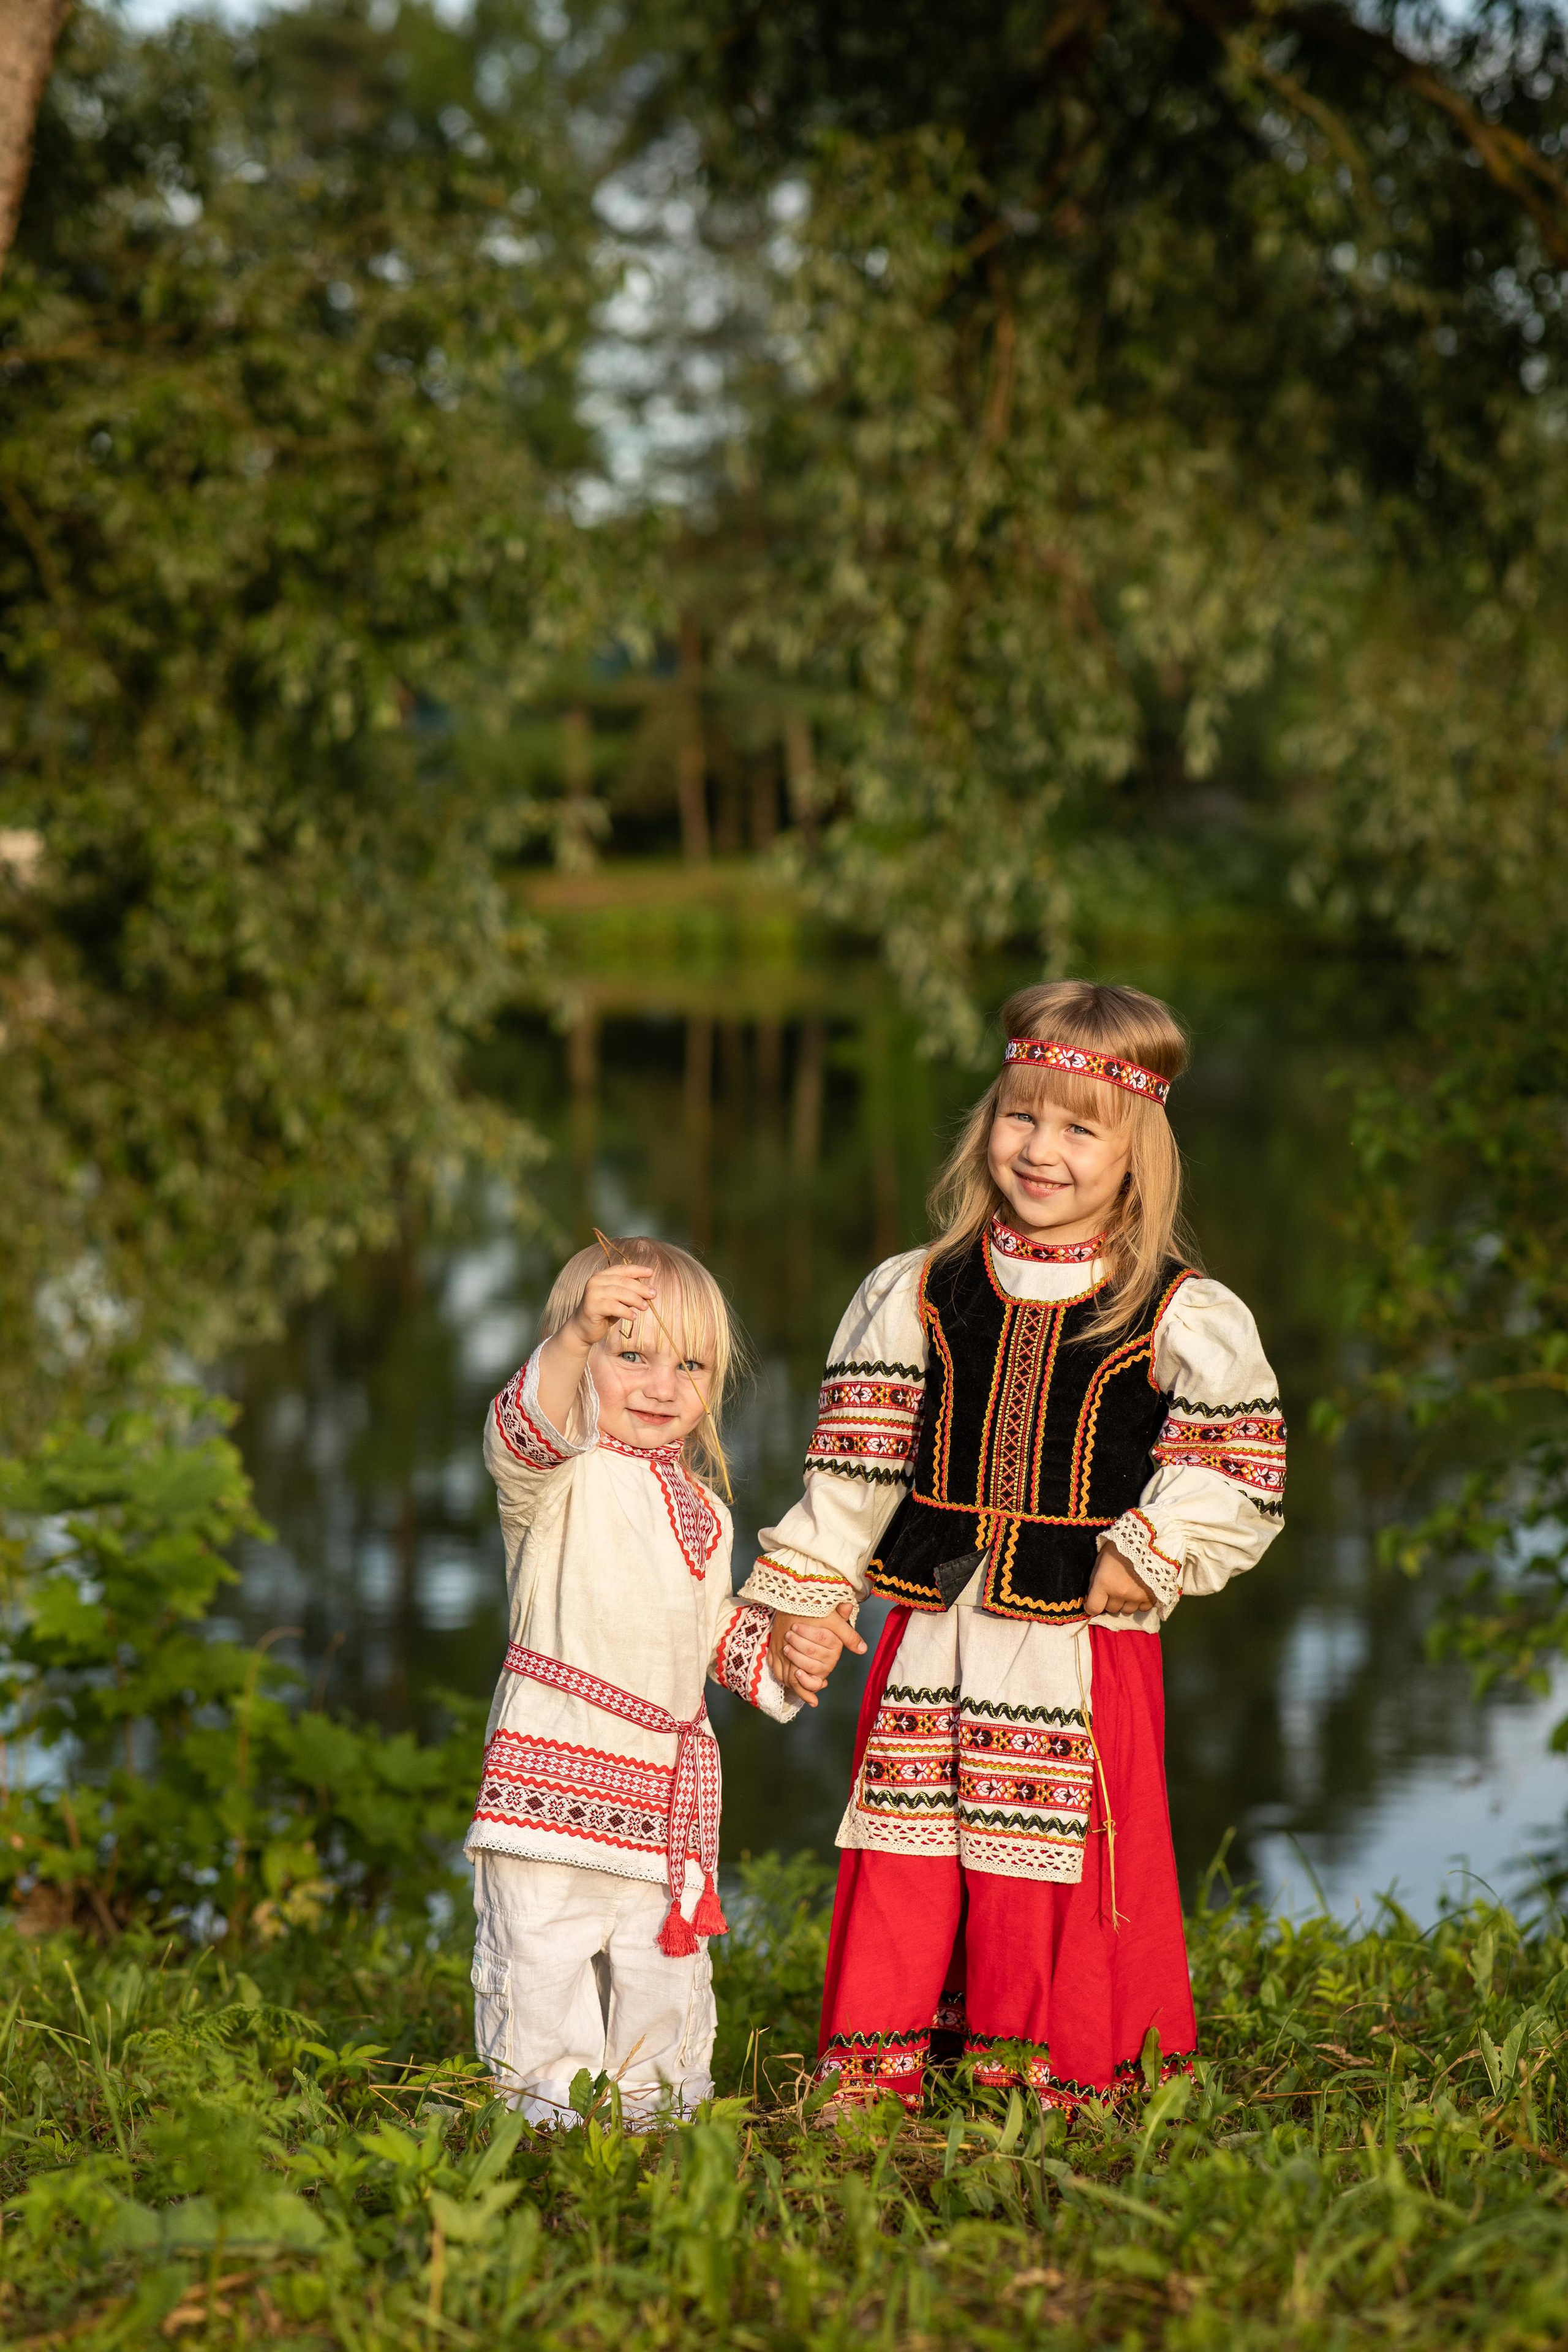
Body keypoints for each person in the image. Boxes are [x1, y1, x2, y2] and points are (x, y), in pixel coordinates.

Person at [741, 981, 1286, 2114]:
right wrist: (806, 1598)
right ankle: (881, 2069)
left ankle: (1049, 2073)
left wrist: (1147, 1551)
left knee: (1054, 1855)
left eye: (1080, 1128)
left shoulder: (1176, 1311)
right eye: (1020, 1117)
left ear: (1137, 1151)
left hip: (1080, 1637)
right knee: (907, 1842)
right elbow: (855, 1465)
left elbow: (1242, 1461)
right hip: (933, 1621)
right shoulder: (921, 1290)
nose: (1041, 1151)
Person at [466, 1234, 835, 2127]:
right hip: (551, 1786)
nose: (662, 1386)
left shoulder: (704, 1507)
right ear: (581, 1349)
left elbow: (706, 1634)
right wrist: (569, 1344)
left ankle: (657, 2121)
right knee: (541, 1967)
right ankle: (542, 2124)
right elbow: (527, 1422)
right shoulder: (555, 1475)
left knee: (660, 1981)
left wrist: (785, 1652)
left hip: (663, 1801)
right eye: (629, 1355)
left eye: (690, 1364)